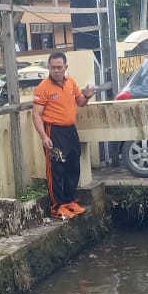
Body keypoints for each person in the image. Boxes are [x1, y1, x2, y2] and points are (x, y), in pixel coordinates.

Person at [31, 50, 95, 219]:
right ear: (49, 68)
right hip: (54, 130)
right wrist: (44, 136)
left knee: (73, 165)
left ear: (65, 67)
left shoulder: (71, 82)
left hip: (70, 130)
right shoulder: (43, 87)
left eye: (59, 67)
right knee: (56, 169)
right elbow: (36, 114)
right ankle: (57, 206)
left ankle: (70, 201)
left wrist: (87, 97)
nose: (56, 70)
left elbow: (80, 102)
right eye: (53, 67)